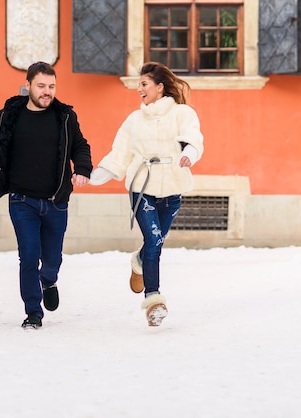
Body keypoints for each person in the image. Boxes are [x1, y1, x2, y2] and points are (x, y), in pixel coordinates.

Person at [0, 61, 92, 330]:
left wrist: (82, 168)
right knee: (28, 255)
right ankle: (33, 312)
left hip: (56, 202)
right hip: (22, 200)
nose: (46, 92)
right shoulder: (11, 115)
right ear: (28, 85)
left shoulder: (64, 116)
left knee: (52, 259)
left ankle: (49, 279)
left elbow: (80, 145)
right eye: (41, 86)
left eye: (51, 86)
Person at [89, 62, 204, 327]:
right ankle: (154, 301)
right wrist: (102, 174)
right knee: (153, 239)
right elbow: (120, 151)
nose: (138, 89)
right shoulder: (134, 119)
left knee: (157, 241)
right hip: (142, 184)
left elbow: (193, 138)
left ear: (159, 86)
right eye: (138, 84)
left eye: (144, 84)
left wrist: (189, 154)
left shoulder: (182, 113)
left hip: (173, 184)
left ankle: (139, 261)